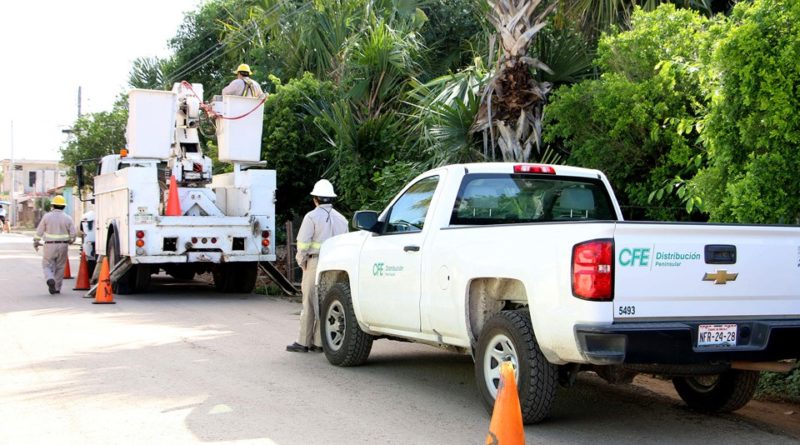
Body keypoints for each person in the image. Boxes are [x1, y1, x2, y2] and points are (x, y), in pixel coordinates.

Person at [286, 179, 348, 353]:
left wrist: (301, 261)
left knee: (309, 303)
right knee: (326, 302)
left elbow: (303, 243)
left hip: (314, 262)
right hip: (335, 265)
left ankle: (303, 342)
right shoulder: (342, 219)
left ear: (316, 199)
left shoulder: (311, 217)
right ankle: (320, 343)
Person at [33, 195, 76, 294]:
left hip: (49, 245)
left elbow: (40, 231)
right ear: (64, 206)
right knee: (60, 267)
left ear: (53, 206)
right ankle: (56, 288)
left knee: (47, 265)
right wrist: (71, 240)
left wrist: (36, 241)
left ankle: (50, 278)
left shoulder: (47, 217)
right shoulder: (68, 218)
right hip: (63, 246)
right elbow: (73, 234)